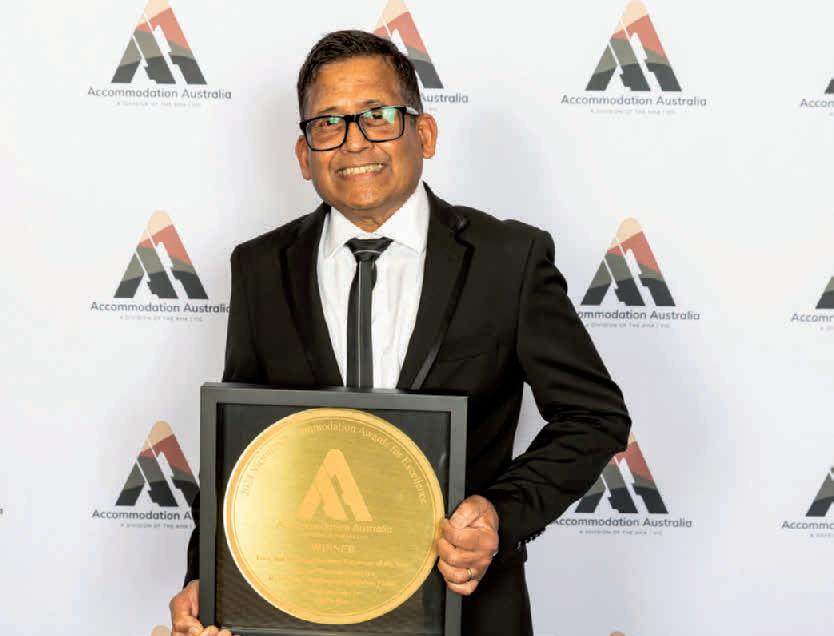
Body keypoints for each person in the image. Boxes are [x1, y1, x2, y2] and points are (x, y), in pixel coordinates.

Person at [169, 30, 631, 636]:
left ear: (425, 134)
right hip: (299, 609)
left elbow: (594, 417)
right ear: (305, 154)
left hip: (464, 607)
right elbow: (240, 445)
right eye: (328, 123)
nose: (354, 141)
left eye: (378, 116)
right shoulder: (259, 267)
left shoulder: (508, 259)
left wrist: (499, 514)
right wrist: (206, 579)